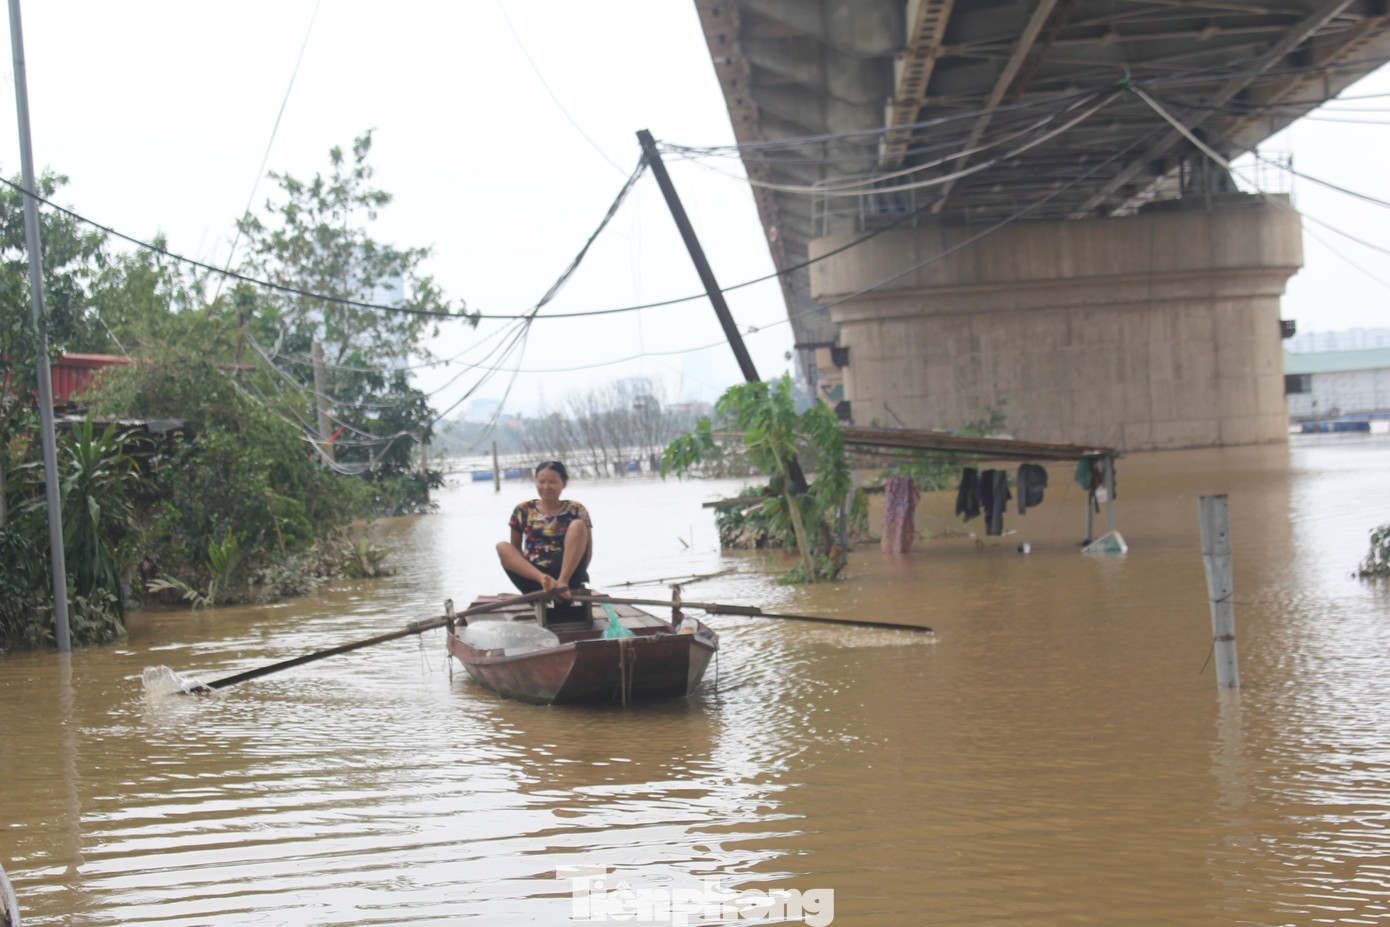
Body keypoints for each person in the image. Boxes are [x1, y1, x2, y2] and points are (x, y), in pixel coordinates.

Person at [496, 461, 593, 603]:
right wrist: (542, 578)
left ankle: (561, 583)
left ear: (564, 483)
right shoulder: (523, 510)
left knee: (578, 526)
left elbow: (587, 549)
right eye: (541, 482)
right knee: (502, 546)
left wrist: (568, 579)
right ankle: (545, 580)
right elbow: (515, 549)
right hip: (534, 579)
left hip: (567, 577)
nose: (546, 487)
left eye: (552, 482)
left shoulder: (576, 510)